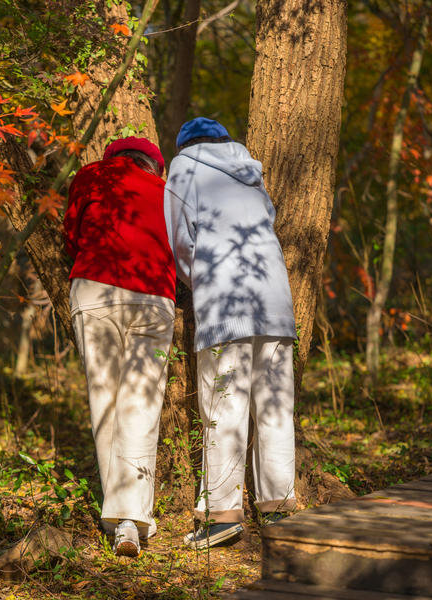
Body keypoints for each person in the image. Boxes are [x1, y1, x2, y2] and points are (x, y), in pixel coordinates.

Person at [163, 117, 298, 549]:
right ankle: (278, 508)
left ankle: (222, 515)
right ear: (225, 142)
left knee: (225, 409)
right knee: (275, 408)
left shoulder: (183, 167)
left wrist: (197, 281)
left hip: (226, 303)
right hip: (275, 302)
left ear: (185, 144)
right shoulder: (251, 173)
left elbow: (179, 240)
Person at [62, 136, 176, 556]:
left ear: (115, 158)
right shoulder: (169, 193)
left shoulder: (89, 175)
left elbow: (71, 234)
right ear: (154, 167)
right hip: (153, 295)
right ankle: (130, 519)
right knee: (141, 404)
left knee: (104, 399)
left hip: (95, 287)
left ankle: (121, 521)